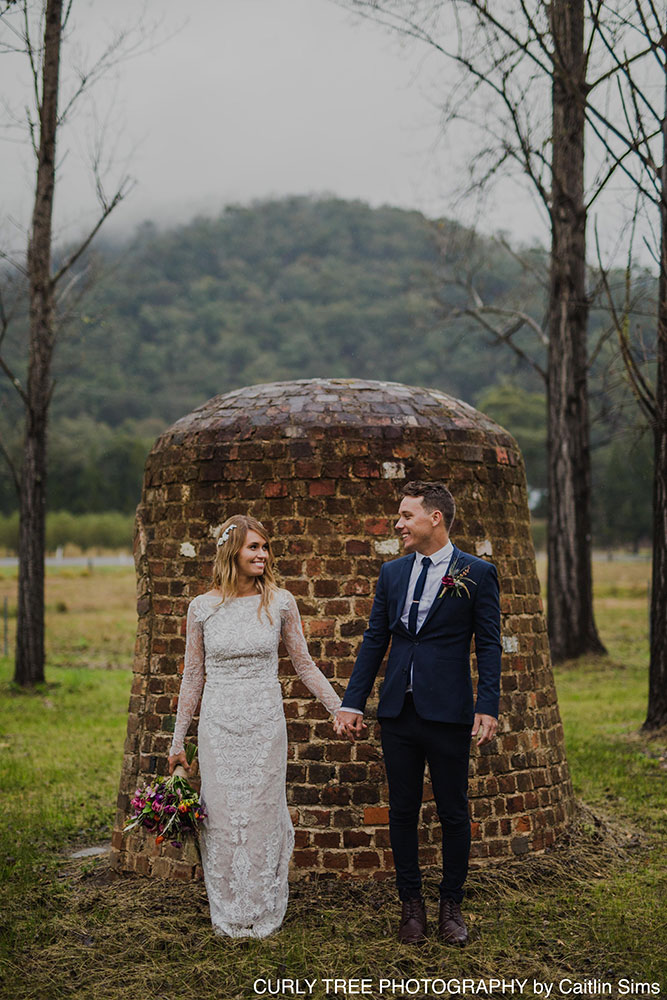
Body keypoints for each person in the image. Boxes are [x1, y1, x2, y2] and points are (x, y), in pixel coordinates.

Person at [334, 481, 501, 947]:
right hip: (398, 713)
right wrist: (352, 701)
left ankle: (452, 906)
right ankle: (411, 907)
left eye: (407, 515)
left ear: (435, 518)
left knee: (453, 812)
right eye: (399, 516)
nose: (399, 523)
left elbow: (488, 644)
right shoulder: (392, 573)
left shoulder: (478, 573)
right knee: (403, 811)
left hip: (449, 712)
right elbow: (374, 639)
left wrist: (487, 704)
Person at [168, 514, 342, 938]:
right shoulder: (201, 608)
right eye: (254, 547)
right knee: (223, 817)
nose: (263, 554)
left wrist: (339, 707)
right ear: (232, 552)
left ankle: (265, 910)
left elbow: (303, 664)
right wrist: (177, 743)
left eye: (265, 547)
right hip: (219, 724)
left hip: (265, 723)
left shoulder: (280, 602)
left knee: (263, 814)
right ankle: (227, 911)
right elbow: (192, 676)